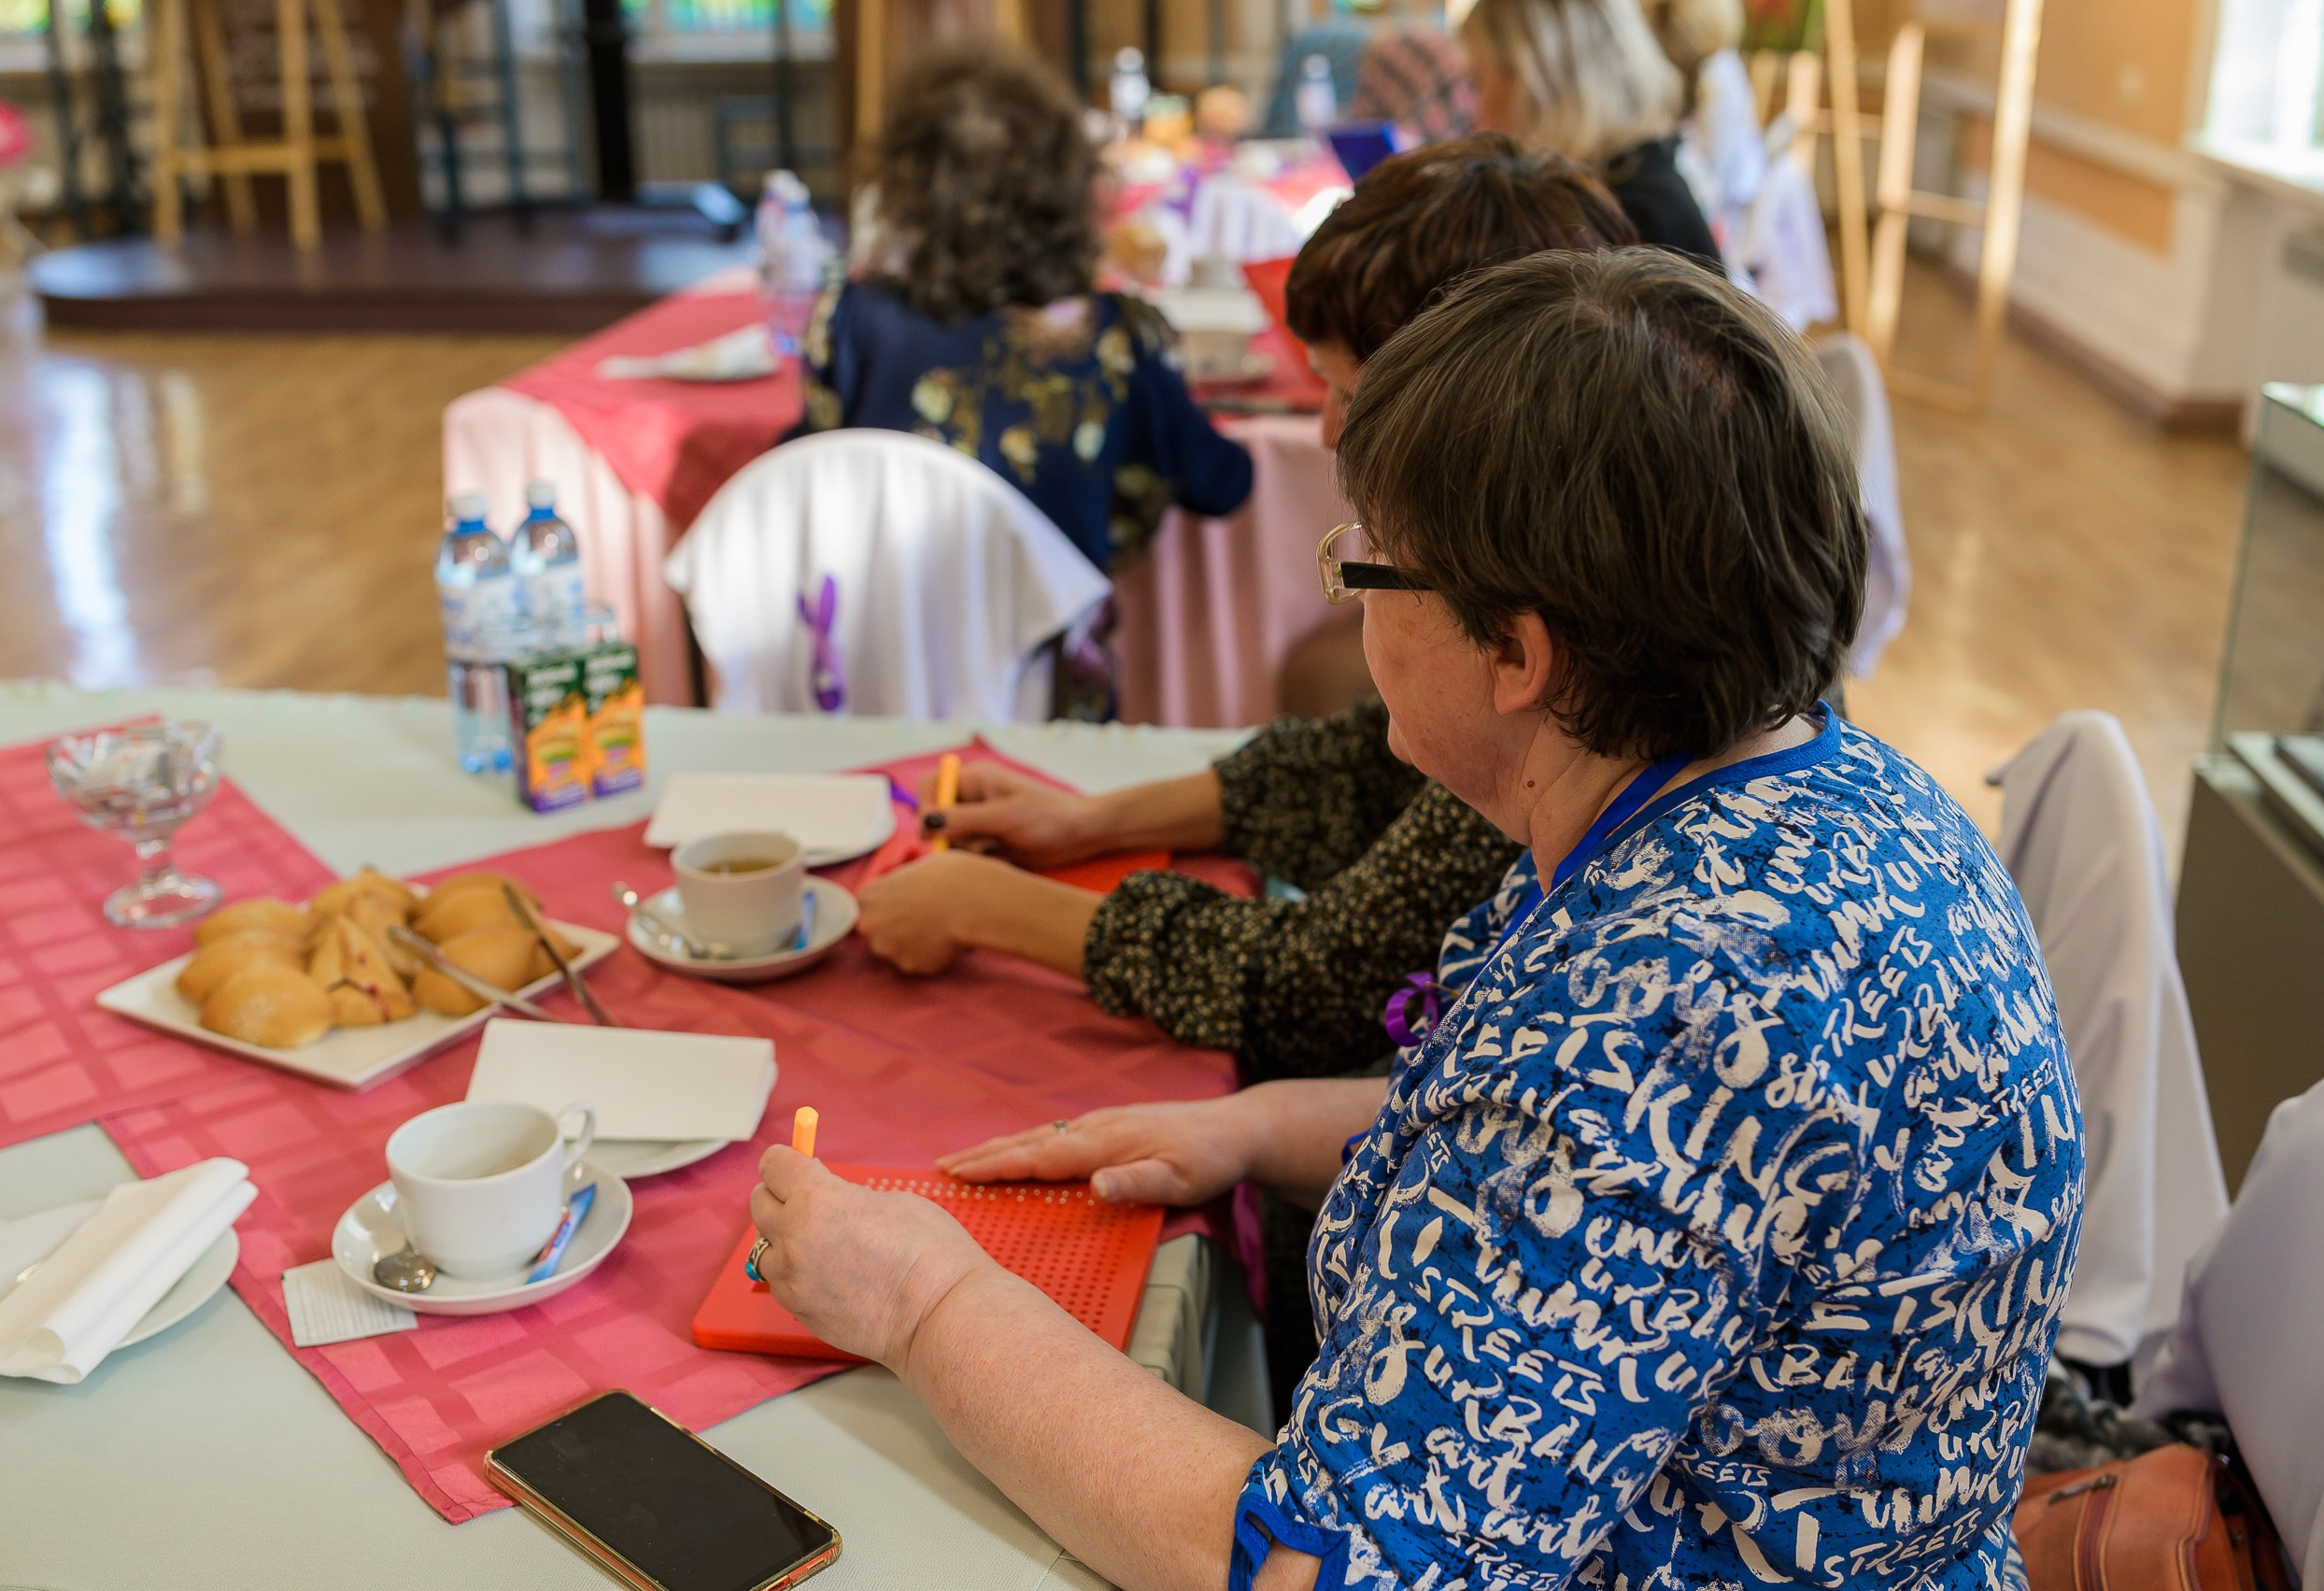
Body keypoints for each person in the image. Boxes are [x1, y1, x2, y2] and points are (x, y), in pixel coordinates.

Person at [748, 249, 2082, 1590]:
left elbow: (1323, 1569)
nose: (1353, 598)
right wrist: (1256, 1124)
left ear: (1516, 652)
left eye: (1367, 566)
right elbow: (1641, 1192)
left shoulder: (1660, 1008)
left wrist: (924, 1299)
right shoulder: (1836, 797)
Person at [855, 136, 1637, 1407]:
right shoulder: (1632, 766)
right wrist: (1092, 823)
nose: (1325, 426)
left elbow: (1343, 1509)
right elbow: (1358, 767)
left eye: (1365, 568)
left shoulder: (1614, 903)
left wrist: (927, 1304)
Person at [791, 45, 1252, 574]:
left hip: (896, 620)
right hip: (1057, 625)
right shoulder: (1118, 334)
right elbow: (1222, 485)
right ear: (1068, 185)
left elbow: (803, 475)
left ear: (905, 186)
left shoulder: (853, 319)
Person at [1462, 0, 1723, 263]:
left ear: (1537, 84)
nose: (1478, 112)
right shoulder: (1625, 184)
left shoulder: (1630, 217)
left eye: (1478, 82)